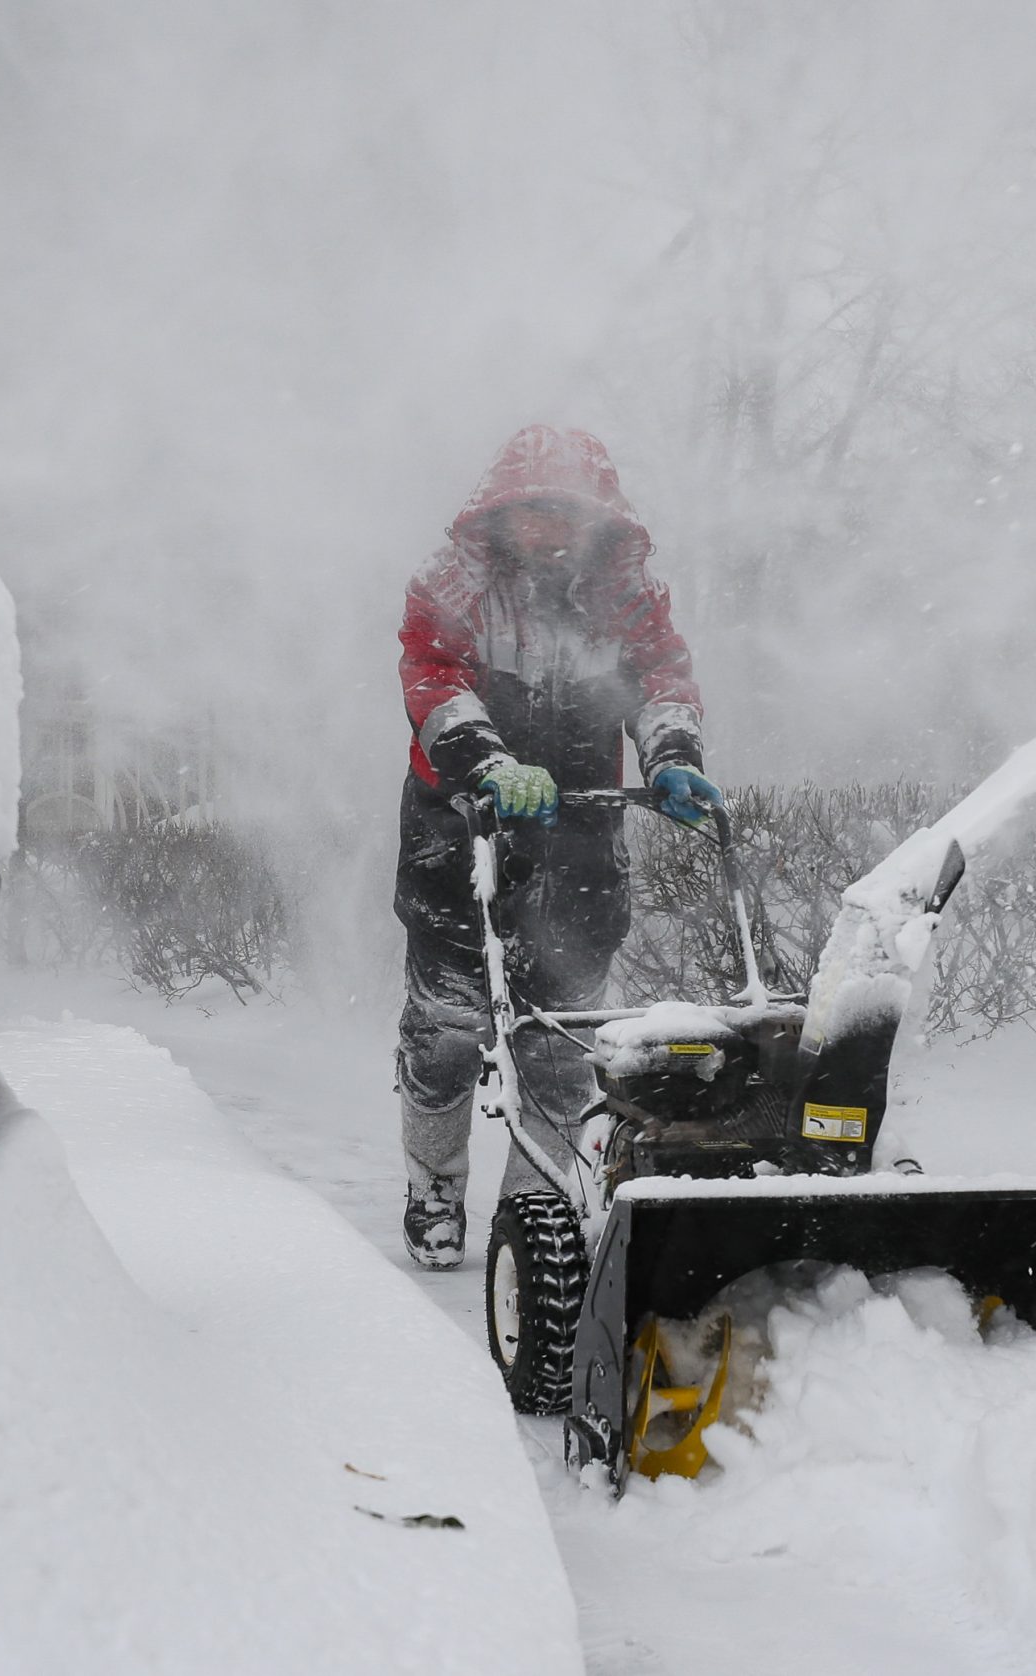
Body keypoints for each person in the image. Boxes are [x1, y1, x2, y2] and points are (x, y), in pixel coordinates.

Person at [392, 425, 722, 1268]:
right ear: (500, 512)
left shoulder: (626, 596)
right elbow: (433, 678)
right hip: (458, 831)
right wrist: (489, 760)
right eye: (533, 510)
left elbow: (661, 676)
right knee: (448, 1030)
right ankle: (434, 1186)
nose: (550, 528)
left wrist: (672, 753)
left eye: (567, 511)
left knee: (561, 1041)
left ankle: (532, 1208)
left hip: (580, 837)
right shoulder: (453, 585)